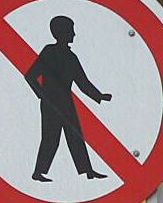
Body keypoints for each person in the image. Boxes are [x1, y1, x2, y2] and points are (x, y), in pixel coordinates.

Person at [25, 15, 112, 183]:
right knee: (51, 138)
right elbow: (30, 75)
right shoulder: (49, 52)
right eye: (71, 30)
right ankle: (38, 172)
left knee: (75, 136)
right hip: (50, 104)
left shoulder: (71, 57)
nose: (74, 34)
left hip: (66, 102)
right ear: (62, 32)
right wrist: (42, 95)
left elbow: (82, 82)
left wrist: (99, 96)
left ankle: (87, 170)